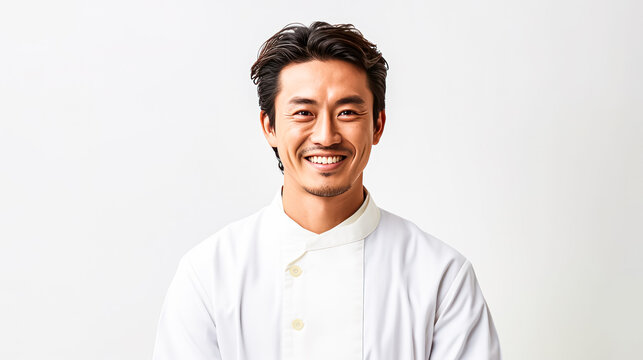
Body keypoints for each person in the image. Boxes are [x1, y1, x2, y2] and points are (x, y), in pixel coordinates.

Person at [153, 21, 501, 360]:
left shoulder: (440, 277)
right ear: (269, 127)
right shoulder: (210, 275)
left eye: (347, 112)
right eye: (304, 112)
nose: (326, 136)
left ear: (377, 125)